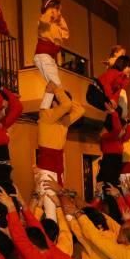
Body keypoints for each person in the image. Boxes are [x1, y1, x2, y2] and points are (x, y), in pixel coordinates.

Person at [35, 83, 85, 220]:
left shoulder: (64, 121)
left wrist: (60, 91)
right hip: (46, 169)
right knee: (52, 212)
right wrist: (56, 90)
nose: (68, 113)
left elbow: (80, 110)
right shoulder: (46, 116)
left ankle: (63, 238)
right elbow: (67, 105)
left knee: (64, 211)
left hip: (58, 168)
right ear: (55, 103)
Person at [34, 0, 70, 109]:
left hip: (48, 58)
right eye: (59, 10)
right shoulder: (44, 22)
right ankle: (67, 106)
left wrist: (58, 17)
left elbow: (66, 33)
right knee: (57, 85)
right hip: (44, 56)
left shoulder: (56, 26)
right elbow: (44, 20)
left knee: (53, 85)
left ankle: (44, 109)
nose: (60, 13)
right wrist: (50, 11)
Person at [98, 104, 124, 186]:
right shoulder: (108, 137)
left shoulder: (111, 136)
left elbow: (117, 128)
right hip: (110, 159)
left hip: (111, 160)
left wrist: (113, 112)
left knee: (108, 184)